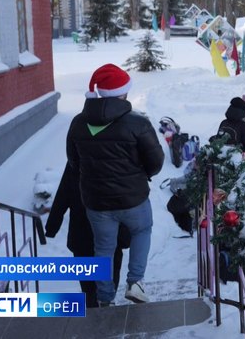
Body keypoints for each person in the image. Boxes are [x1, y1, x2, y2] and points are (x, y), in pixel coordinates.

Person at [67, 64, 165, 306]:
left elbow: (73, 161)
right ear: (123, 93)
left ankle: (104, 298)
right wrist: (140, 175)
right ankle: (135, 282)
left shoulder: (78, 123)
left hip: (96, 202)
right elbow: (156, 162)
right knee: (142, 231)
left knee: (103, 247)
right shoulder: (138, 123)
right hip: (133, 199)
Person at [45, 163, 130, 308]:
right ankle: (104, 309)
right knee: (106, 285)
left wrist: (52, 227)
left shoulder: (76, 159)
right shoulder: (115, 155)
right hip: (108, 235)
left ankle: (97, 310)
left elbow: (63, 194)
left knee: (90, 290)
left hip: (83, 236)